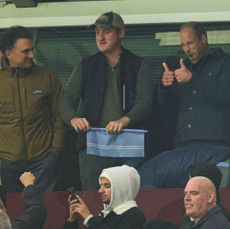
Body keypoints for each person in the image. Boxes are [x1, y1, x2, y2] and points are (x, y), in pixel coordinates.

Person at [60, 11, 153, 190]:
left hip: (129, 143)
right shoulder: (86, 65)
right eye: (97, 32)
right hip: (94, 143)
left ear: (121, 33)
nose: (100, 37)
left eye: (107, 31)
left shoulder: (138, 64)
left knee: (128, 195)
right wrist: (73, 119)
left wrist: (125, 120)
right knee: (95, 197)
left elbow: (146, 102)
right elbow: (66, 101)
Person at [139, 21, 230, 188]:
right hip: (183, 146)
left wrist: (193, 79)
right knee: (145, 177)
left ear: (203, 39)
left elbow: (226, 94)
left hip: (217, 146)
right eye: (183, 45)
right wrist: (165, 87)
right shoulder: (182, 68)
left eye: (190, 43)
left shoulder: (225, 62)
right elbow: (166, 112)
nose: (186, 49)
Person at [0, 26, 64, 192]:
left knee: (45, 212)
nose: (32, 55)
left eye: (32, 50)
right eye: (25, 51)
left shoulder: (47, 77)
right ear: (9, 53)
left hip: (42, 162)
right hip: (6, 164)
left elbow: (59, 115)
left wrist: (54, 151)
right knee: (12, 213)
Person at [62, 165, 146, 229]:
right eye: (100, 185)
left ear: (122, 187)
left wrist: (88, 218)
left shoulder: (135, 217)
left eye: (107, 186)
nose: (100, 191)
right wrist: (72, 220)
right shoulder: (104, 215)